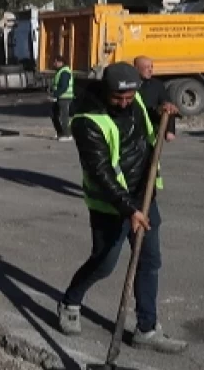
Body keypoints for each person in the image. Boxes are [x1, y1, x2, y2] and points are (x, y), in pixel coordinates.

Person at [57, 63, 186, 353]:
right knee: (104, 263)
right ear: (106, 91)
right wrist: (129, 209)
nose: (124, 104)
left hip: (144, 194)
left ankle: (147, 328)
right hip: (110, 204)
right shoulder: (87, 121)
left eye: (129, 98)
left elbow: (142, 122)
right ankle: (70, 301)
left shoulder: (135, 98)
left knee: (149, 261)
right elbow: (100, 173)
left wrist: (162, 111)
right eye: (118, 99)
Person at [133, 56, 177, 142]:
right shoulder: (129, 86)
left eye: (151, 67)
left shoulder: (157, 85)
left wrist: (170, 130)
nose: (150, 70)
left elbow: (168, 106)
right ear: (136, 69)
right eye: (146, 67)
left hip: (151, 133)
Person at [49, 57, 75, 142]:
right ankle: (60, 133)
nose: (54, 64)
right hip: (60, 97)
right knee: (53, 114)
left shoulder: (65, 72)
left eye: (55, 62)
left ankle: (67, 135)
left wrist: (55, 95)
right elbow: (57, 84)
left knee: (64, 117)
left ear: (61, 62)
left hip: (65, 97)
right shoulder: (60, 71)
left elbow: (64, 87)